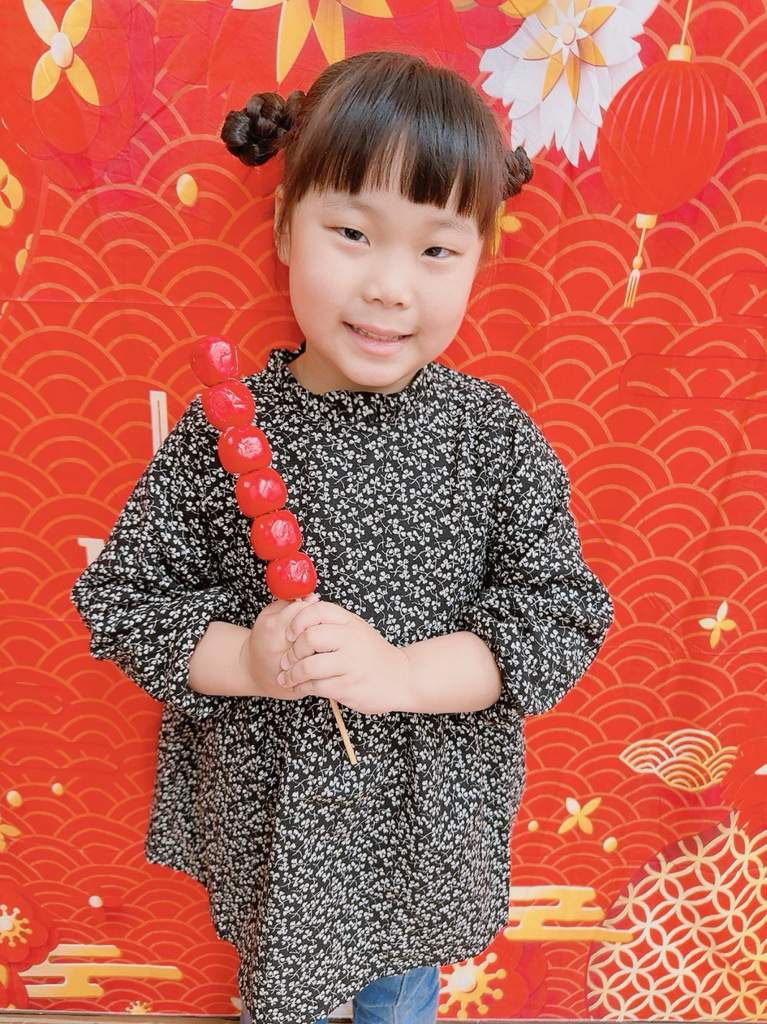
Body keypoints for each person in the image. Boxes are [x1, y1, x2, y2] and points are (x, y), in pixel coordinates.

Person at [70, 50, 613, 1024]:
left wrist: (400, 674)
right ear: (285, 226)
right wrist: (249, 657)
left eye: (436, 250)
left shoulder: (493, 440)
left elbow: (557, 620)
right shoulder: (226, 430)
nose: (390, 287)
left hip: (417, 841)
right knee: (281, 992)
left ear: (479, 257)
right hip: (275, 832)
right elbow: (127, 602)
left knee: (396, 1001)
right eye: (352, 234)